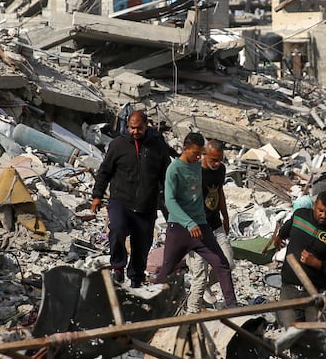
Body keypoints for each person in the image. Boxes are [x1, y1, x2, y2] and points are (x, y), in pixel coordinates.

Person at [91, 109, 174, 288]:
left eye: (139, 128)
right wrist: (97, 195)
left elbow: (166, 176)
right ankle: (118, 268)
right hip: (121, 199)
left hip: (147, 204)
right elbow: (105, 171)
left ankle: (136, 278)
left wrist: (170, 201)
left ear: (146, 126)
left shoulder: (157, 147)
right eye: (132, 128)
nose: (135, 132)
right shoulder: (118, 145)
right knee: (117, 231)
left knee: (142, 243)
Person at [154, 133, 239, 307]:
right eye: (195, 153)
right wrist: (188, 222)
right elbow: (170, 201)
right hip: (179, 228)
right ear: (185, 149)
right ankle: (148, 304)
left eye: (200, 153)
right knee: (167, 271)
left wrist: (223, 216)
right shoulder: (175, 169)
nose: (198, 157)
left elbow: (210, 191)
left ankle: (232, 307)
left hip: (202, 227)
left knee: (222, 264)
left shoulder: (198, 167)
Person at [275, 190, 326, 314]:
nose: (324, 215)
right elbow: (288, 226)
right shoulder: (300, 216)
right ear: (314, 206)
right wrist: (279, 237)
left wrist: (317, 263)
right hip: (290, 289)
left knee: (315, 332)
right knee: (290, 331)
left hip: (316, 294)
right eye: (320, 210)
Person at [184, 140, 233, 312]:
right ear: (204, 154)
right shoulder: (194, 173)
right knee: (199, 274)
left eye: (219, 159)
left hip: (215, 224)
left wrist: (225, 217)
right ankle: (192, 312)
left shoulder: (220, 170)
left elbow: (219, 192)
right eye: (213, 159)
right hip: (197, 229)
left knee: (228, 263)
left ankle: (206, 286)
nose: (216, 163)